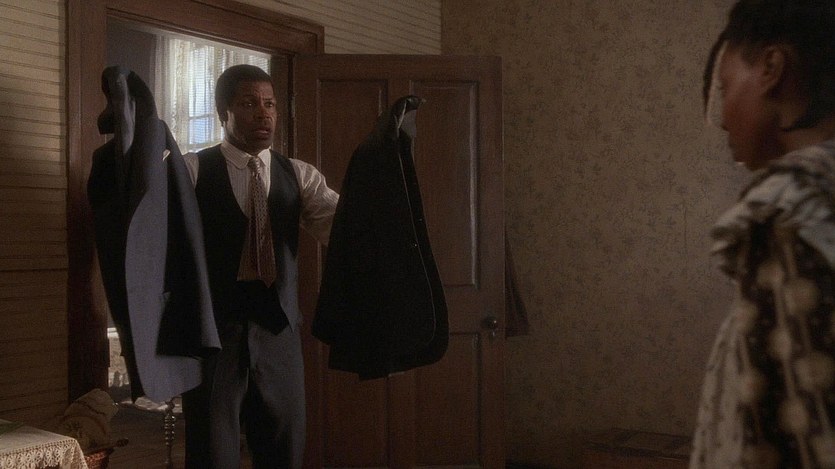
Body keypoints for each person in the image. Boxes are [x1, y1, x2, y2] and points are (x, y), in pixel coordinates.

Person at [691, 1, 835, 468]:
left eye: (724, 88)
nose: (721, 118)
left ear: (772, 68)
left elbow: (800, 425)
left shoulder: (790, 207)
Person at [180, 64, 338, 468]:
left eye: (269, 104)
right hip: (215, 337)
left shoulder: (298, 175)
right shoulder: (192, 170)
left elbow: (345, 230)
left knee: (284, 450)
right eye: (249, 104)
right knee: (212, 454)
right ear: (224, 113)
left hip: (279, 335)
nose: (263, 113)